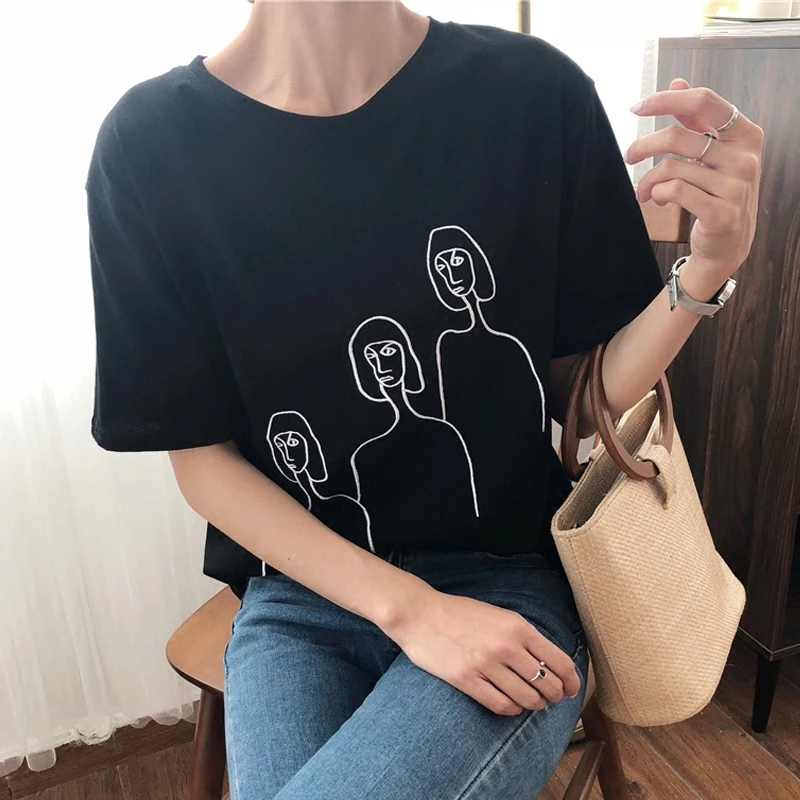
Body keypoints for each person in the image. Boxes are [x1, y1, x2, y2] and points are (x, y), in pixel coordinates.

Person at [85, 2, 762, 798]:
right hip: (300, 596)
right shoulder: (150, 147)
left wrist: (709, 268)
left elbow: (582, 403)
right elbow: (202, 461)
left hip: (506, 578)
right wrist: (412, 611)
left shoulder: (532, 96)